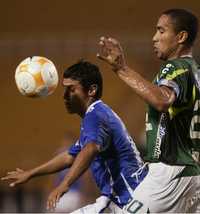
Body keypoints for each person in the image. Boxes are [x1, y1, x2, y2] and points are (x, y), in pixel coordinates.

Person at [1, 60, 147, 213]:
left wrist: (64, 184)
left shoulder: (95, 115)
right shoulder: (96, 117)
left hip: (129, 196)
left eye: (71, 89)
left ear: (91, 90)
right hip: (121, 197)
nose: (64, 96)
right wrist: (31, 173)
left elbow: (90, 149)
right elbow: (70, 156)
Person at [97, 8, 200, 213]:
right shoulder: (195, 72)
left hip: (170, 171)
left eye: (161, 31)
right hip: (191, 173)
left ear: (181, 37)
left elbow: (162, 100)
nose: (154, 38)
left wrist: (121, 68)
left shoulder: (175, 67)